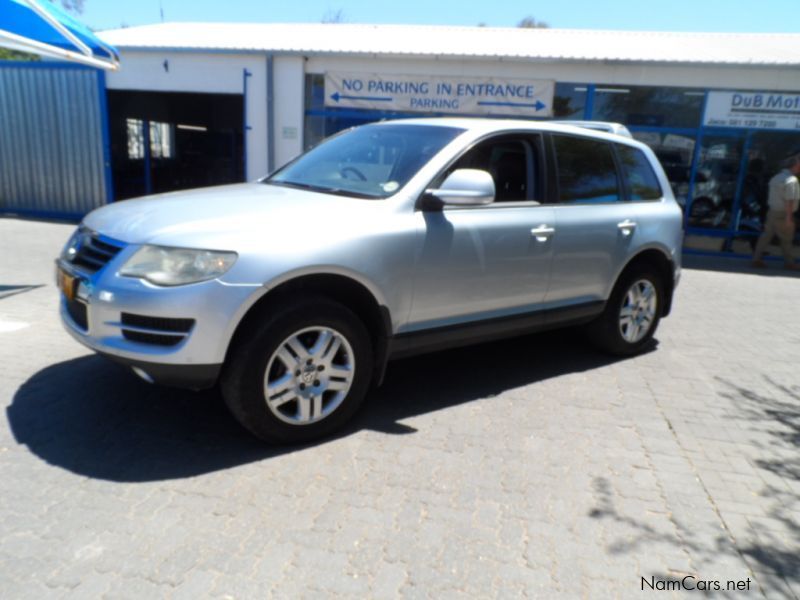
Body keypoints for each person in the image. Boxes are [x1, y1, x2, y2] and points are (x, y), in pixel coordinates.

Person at [752, 154, 800, 270]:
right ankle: (790, 263)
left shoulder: (776, 178)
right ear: (796, 166)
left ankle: (756, 259)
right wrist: (789, 218)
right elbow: (789, 200)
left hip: (772, 212)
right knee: (787, 239)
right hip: (783, 214)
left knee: (766, 236)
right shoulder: (791, 180)